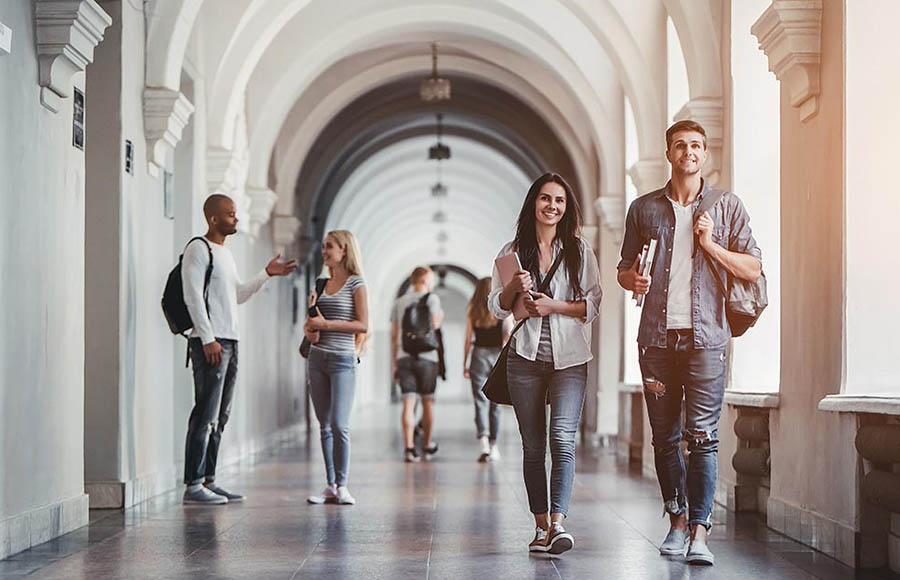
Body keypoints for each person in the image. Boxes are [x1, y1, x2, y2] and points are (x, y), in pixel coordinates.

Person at [617, 120, 762, 565]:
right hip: (656, 342)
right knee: (664, 437)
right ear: (669, 153)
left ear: (705, 153)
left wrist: (711, 244)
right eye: (681, 145)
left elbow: (753, 269)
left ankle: (700, 531)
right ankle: (676, 522)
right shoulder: (644, 209)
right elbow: (623, 269)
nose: (689, 152)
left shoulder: (727, 207)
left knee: (703, 437)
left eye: (697, 145)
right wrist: (632, 278)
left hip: (706, 340)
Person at [488, 172, 602, 555]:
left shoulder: (580, 251)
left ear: (566, 208)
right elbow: (496, 308)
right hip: (525, 358)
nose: (551, 206)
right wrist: (513, 287)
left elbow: (593, 304)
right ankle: (539, 527)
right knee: (533, 446)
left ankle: (558, 523)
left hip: (570, 359)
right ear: (533, 203)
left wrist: (554, 306)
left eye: (559, 200)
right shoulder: (512, 250)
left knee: (562, 440)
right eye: (545, 199)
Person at [181, 194, 297, 504]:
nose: (236, 218)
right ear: (213, 219)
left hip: (230, 340)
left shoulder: (226, 255)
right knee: (205, 413)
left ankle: (209, 479)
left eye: (236, 213)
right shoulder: (198, 249)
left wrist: (266, 274)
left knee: (221, 415)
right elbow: (192, 296)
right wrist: (207, 338)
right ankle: (193, 485)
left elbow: (238, 295)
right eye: (231, 214)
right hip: (211, 342)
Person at [304, 230, 369, 506]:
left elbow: (363, 325)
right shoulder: (319, 284)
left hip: (343, 359)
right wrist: (310, 330)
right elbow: (311, 324)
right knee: (324, 426)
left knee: (339, 424)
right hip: (317, 358)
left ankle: (343, 485)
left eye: (329, 246)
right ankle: (329, 485)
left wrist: (327, 325)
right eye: (323, 246)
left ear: (344, 250)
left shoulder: (357, 284)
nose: (324, 251)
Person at [391, 266, 444, 463]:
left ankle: (409, 448)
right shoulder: (432, 299)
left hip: (404, 356)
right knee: (428, 402)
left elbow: (394, 335)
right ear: (424, 280)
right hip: (428, 358)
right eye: (431, 280)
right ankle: (428, 445)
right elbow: (436, 325)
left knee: (408, 403)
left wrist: (394, 365)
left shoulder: (399, 302)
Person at [463, 277, 510, 462]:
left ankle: (483, 441)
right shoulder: (501, 309)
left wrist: (464, 363)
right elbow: (508, 334)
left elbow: (468, 339)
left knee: (479, 401)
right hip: (497, 356)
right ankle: (494, 445)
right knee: (495, 403)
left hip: (478, 356)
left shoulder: (472, 309)